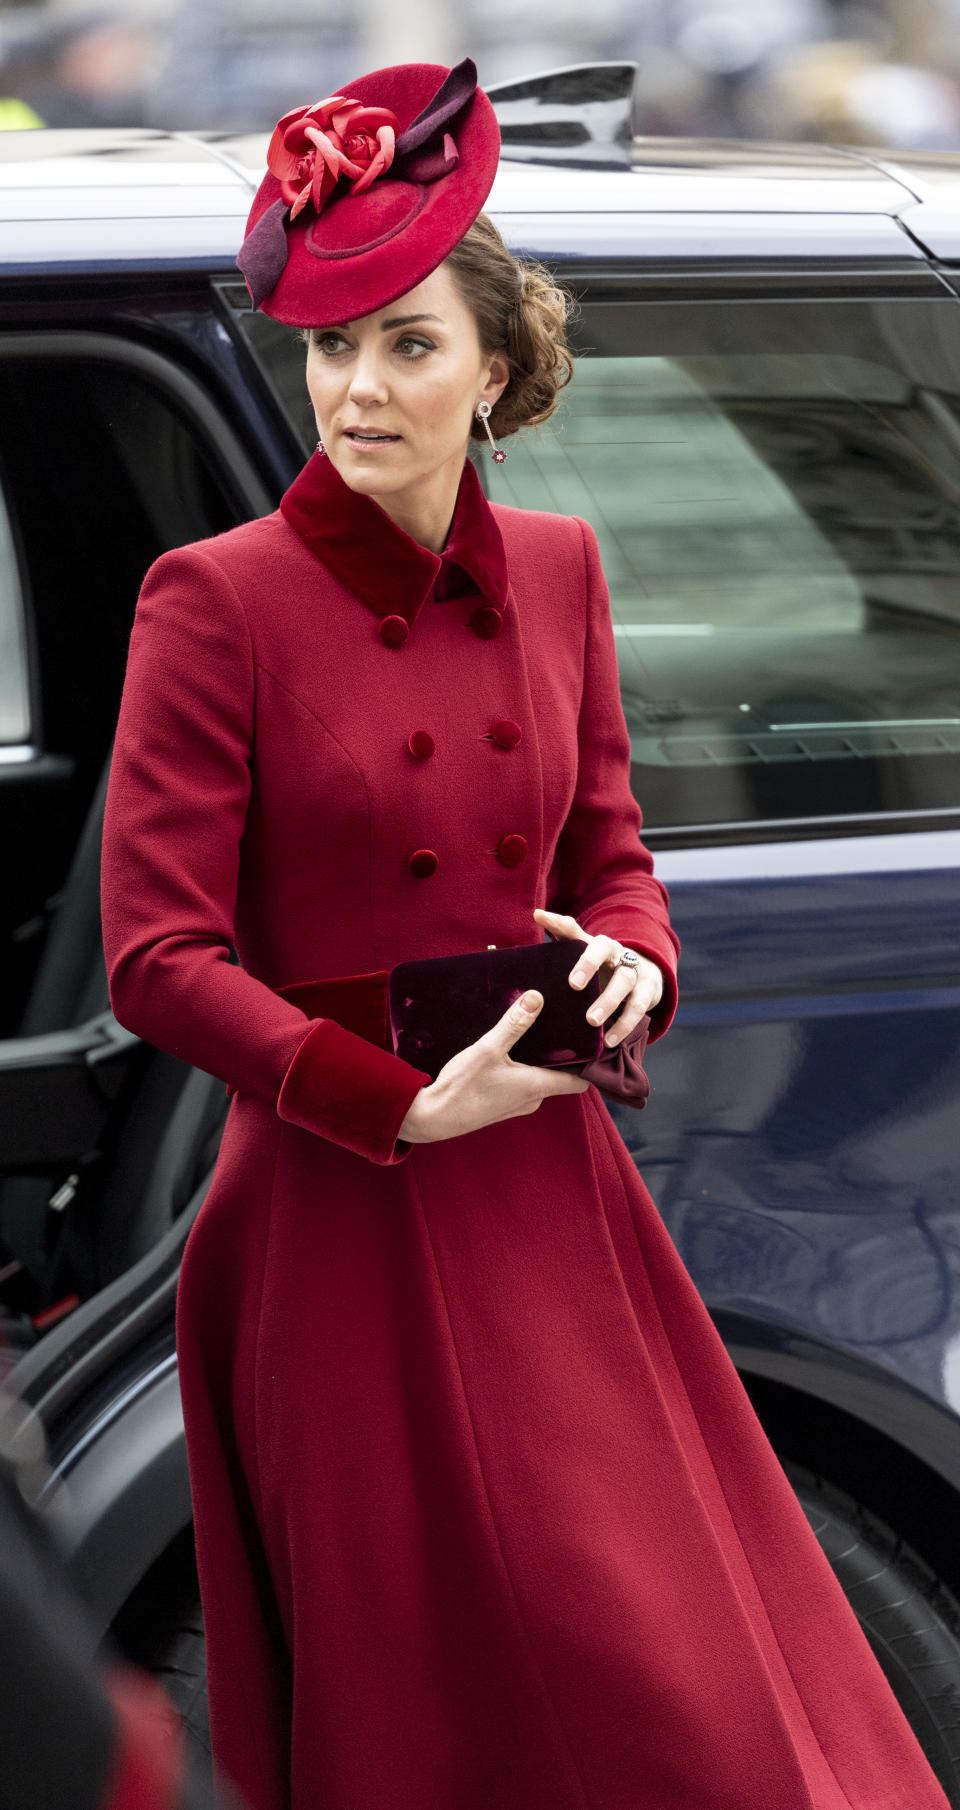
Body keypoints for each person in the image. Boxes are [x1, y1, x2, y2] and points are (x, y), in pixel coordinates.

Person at [98, 55, 951, 1810]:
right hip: (337, 1213)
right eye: (332, 346)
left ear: (498, 366)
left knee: (687, 1699)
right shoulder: (215, 601)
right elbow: (155, 958)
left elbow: (616, 855)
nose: (357, 386)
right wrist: (388, 1103)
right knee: (416, 1727)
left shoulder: (560, 567)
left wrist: (642, 956)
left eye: (406, 343)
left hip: (556, 1201)